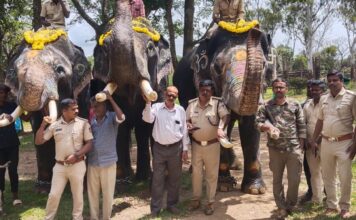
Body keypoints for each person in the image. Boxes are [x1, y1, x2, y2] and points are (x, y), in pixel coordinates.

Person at [255, 78, 306, 218]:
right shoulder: (266, 106)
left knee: (294, 179)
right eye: (276, 87)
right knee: (277, 180)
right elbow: (257, 122)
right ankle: (281, 207)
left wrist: (301, 144)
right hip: (275, 149)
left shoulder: (295, 104)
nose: (279, 90)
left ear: (286, 89)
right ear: (272, 89)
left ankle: (291, 204)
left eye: (281, 87)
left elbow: (301, 125)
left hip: (293, 148)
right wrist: (265, 126)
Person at [35, 98, 93, 220]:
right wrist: (43, 125)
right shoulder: (54, 125)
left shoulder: (83, 123)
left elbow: (89, 143)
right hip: (59, 167)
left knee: (78, 195)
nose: (77, 110)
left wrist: (76, 155)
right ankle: (48, 218)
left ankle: (77, 218)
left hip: (78, 165)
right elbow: (39, 141)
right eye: (73, 109)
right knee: (54, 195)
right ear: (64, 111)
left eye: (77, 108)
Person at [311, 71, 356, 219]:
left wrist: (355, 145)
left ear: (341, 81)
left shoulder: (352, 97)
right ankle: (331, 205)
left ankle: (344, 207)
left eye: (335, 80)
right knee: (328, 175)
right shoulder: (324, 98)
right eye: (329, 80)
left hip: (345, 143)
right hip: (326, 142)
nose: (331, 83)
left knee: (345, 177)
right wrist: (314, 139)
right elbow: (320, 121)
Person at [142, 86, 189, 217]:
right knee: (158, 179)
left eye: (174, 95)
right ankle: (155, 209)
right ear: (164, 94)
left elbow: (184, 130)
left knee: (175, 178)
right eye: (169, 94)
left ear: (177, 97)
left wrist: (185, 149)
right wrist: (148, 103)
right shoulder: (156, 107)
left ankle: (172, 205)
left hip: (176, 149)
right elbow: (147, 119)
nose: (171, 97)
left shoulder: (180, 110)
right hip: (159, 149)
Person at [186, 79, 230, 215]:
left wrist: (221, 128)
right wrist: (188, 125)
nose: (205, 92)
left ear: (212, 91)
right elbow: (186, 119)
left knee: (211, 175)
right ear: (199, 89)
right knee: (196, 175)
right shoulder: (192, 104)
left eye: (208, 90)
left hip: (212, 145)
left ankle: (210, 203)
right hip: (196, 145)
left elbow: (226, 116)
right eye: (203, 89)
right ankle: (196, 200)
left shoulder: (217, 103)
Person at [87, 92, 125, 220]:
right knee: (92, 194)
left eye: (98, 106)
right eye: (93, 106)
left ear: (105, 106)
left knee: (108, 194)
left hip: (108, 163)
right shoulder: (91, 122)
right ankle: (94, 217)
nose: (95, 109)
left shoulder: (112, 118)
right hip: (93, 163)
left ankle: (106, 218)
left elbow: (122, 117)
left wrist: (111, 99)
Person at [303, 80, 326, 204]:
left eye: (317, 90)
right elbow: (303, 124)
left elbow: (327, 125)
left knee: (328, 172)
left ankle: (332, 198)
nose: (314, 92)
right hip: (310, 145)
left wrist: (316, 141)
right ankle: (317, 199)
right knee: (314, 172)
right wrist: (307, 141)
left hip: (326, 142)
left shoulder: (327, 104)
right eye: (312, 90)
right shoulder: (307, 105)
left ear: (323, 91)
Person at [0, 84, 22, 207]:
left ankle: (15, 196)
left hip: (12, 143)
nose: (1, 95)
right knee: (0, 172)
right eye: (0, 92)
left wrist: (26, 106)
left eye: (3, 92)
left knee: (13, 170)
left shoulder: (12, 106)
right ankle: (1, 197)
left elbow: (25, 117)